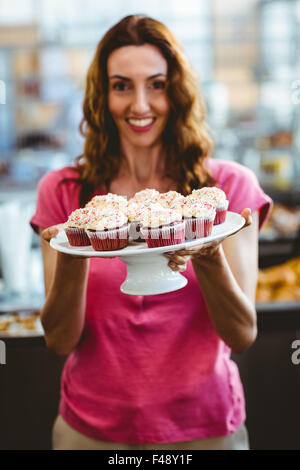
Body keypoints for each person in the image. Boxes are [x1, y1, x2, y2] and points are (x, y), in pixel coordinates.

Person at [30, 15, 272, 450]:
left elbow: (243, 334)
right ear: (101, 95)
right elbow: (58, 340)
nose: (140, 104)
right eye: (122, 85)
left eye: (156, 84)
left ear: (177, 92)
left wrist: (205, 249)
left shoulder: (225, 190)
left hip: (205, 428)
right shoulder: (65, 193)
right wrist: (74, 246)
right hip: (90, 431)